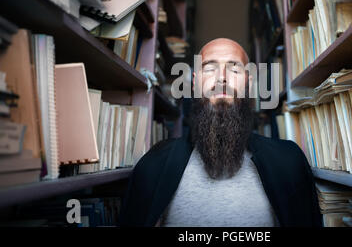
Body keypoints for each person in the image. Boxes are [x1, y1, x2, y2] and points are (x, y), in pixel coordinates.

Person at [119, 38, 322, 227]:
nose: (222, 78)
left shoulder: (289, 162)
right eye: (210, 68)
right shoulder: (153, 165)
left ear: (248, 83)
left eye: (234, 69)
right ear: (194, 83)